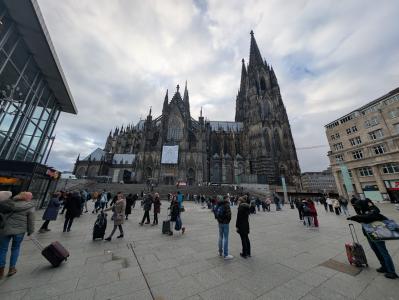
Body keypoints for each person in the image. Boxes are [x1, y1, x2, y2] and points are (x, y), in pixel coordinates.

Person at [347, 199, 398, 279]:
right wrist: (356, 218)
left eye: (358, 206)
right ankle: (384, 266)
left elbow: (373, 214)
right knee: (376, 251)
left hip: (378, 233)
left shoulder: (371, 208)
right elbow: (364, 219)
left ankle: (392, 271)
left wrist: (359, 216)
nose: (357, 207)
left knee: (383, 251)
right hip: (369, 234)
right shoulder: (362, 211)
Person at [0, 191, 35, 278]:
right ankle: (12, 269)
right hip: (19, 231)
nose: (31, 198)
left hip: (5, 229)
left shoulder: (9, 203)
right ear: (27, 198)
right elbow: (31, 220)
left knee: (2, 249)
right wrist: (30, 231)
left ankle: (1, 271)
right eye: (30, 196)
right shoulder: (29, 206)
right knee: (15, 248)